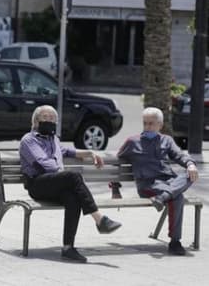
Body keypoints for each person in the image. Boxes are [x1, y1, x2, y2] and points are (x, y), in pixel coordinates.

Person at [20, 105, 122, 263]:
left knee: (73, 197)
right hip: (38, 184)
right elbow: (43, 164)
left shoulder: (54, 139)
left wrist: (90, 153)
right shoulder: (29, 140)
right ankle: (99, 219)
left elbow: (69, 152)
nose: (49, 121)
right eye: (45, 118)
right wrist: (63, 173)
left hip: (56, 183)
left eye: (53, 119)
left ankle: (68, 247)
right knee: (73, 176)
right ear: (36, 121)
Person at [117, 107, 198, 255]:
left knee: (191, 174)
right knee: (178, 197)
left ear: (160, 125)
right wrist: (114, 186)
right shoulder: (132, 142)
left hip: (168, 182)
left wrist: (190, 164)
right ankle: (175, 242)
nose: (147, 126)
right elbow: (116, 162)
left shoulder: (167, 140)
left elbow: (179, 155)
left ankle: (163, 197)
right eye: (145, 123)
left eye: (151, 123)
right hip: (148, 185)